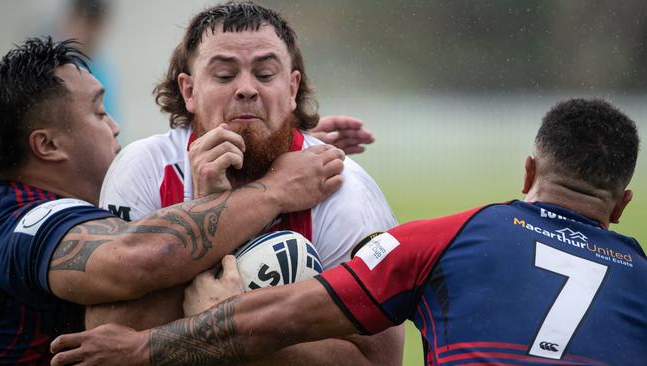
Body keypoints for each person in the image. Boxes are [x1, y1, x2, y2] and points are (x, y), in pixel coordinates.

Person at [51, 98, 647, 366]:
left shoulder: (445, 237)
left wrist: (142, 350)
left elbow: (279, 317)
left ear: (528, 171)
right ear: (620, 205)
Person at [0, 37, 345, 364]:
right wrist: (276, 188)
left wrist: (267, 141)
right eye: (99, 112)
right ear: (48, 145)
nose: (115, 126)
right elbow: (135, 258)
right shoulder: (19, 219)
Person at [92, 2, 404, 364]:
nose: (246, 89)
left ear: (291, 89)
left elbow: (377, 359)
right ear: (189, 91)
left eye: (266, 74)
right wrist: (206, 209)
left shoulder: (344, 190)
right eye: (224, 75)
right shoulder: (143, 171)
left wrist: (236, 326)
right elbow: (108, 340)